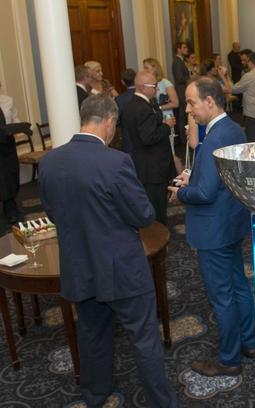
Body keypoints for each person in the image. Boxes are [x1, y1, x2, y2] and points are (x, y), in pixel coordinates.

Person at [38, 95, 178, 408]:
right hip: (122, 270)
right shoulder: (115, 162)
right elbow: (143, 215)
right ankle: (162, 402)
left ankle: (95, 394)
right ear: (110, 122)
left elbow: (51, 211)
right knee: (144, 339)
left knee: (91, 335)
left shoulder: (49, 161)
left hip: (79, 267)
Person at [169, 78, 255, 376]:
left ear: (210, 101)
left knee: (222, 296)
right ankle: (249, 343)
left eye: (192, 103)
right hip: (232, 223)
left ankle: (229, 360)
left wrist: (181, 192)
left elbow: (205, 194)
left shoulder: (214, 139)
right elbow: (220, 182)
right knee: (239, 286)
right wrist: (193, 178)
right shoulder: (234, 130)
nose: (189, 110)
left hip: (213, 231)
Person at [122, 71, 176, 224]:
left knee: (154, 205)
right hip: (152, 167)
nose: (157, 89)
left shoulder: (137, 104)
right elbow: (149, 137)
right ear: (143, 87)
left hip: (145, 164)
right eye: (154, 86)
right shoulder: (141, 108)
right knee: (157, 208)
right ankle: (159, 238)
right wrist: (166, 126)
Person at [0, 83, 30, 231]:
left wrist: (19, 127)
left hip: (7, 146)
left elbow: (15, 120)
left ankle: (11, 209)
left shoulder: (7, 100)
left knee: (11, 176)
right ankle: (7, 214)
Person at [226, 51, 255, 142]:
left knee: (253, 141)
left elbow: (233, 89)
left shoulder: (249, 76)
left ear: (250, 62)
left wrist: (224, 77)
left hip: (252, 114)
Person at [172, 42, 190, 145]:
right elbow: (179, 78)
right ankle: (183, 140)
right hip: (181, 91)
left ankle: (184, 139)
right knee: (183, 116)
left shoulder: (179, 60)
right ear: (178, 49)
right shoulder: (177, 61)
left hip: (182, 90)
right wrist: (190, 79)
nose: (186, 49)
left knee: (183, 115)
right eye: (184, 47)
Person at [115, 68, 136, 153]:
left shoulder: (119, 99)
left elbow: (117, 120)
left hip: (128, 138)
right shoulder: (143, 94)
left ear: (123, 82)